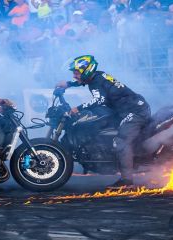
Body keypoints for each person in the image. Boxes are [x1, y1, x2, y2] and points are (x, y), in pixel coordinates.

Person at [55, 55, 151, 187]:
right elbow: (86, 82)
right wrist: (69, 84)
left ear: (87, 70)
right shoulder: (97, 76)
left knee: (121, 141)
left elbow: (99, 100)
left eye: (76, 72)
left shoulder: (96, 80)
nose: (74, 75)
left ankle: (127, 181)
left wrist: (78, 108)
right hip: (124, 109)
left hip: (135, 111)